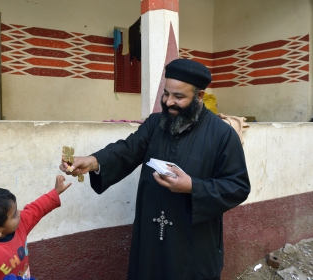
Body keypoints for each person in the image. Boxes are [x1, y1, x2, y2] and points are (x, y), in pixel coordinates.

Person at [60, 58, 251, 279]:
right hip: (151, 236)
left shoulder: (222, 134)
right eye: (166, 94)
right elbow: (127, 150)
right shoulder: (155, 123)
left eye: (178, 97)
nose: (169, 102)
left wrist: (192, 186)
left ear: (199, 96)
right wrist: (93, 161)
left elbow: (237, 186)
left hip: (194, 243)